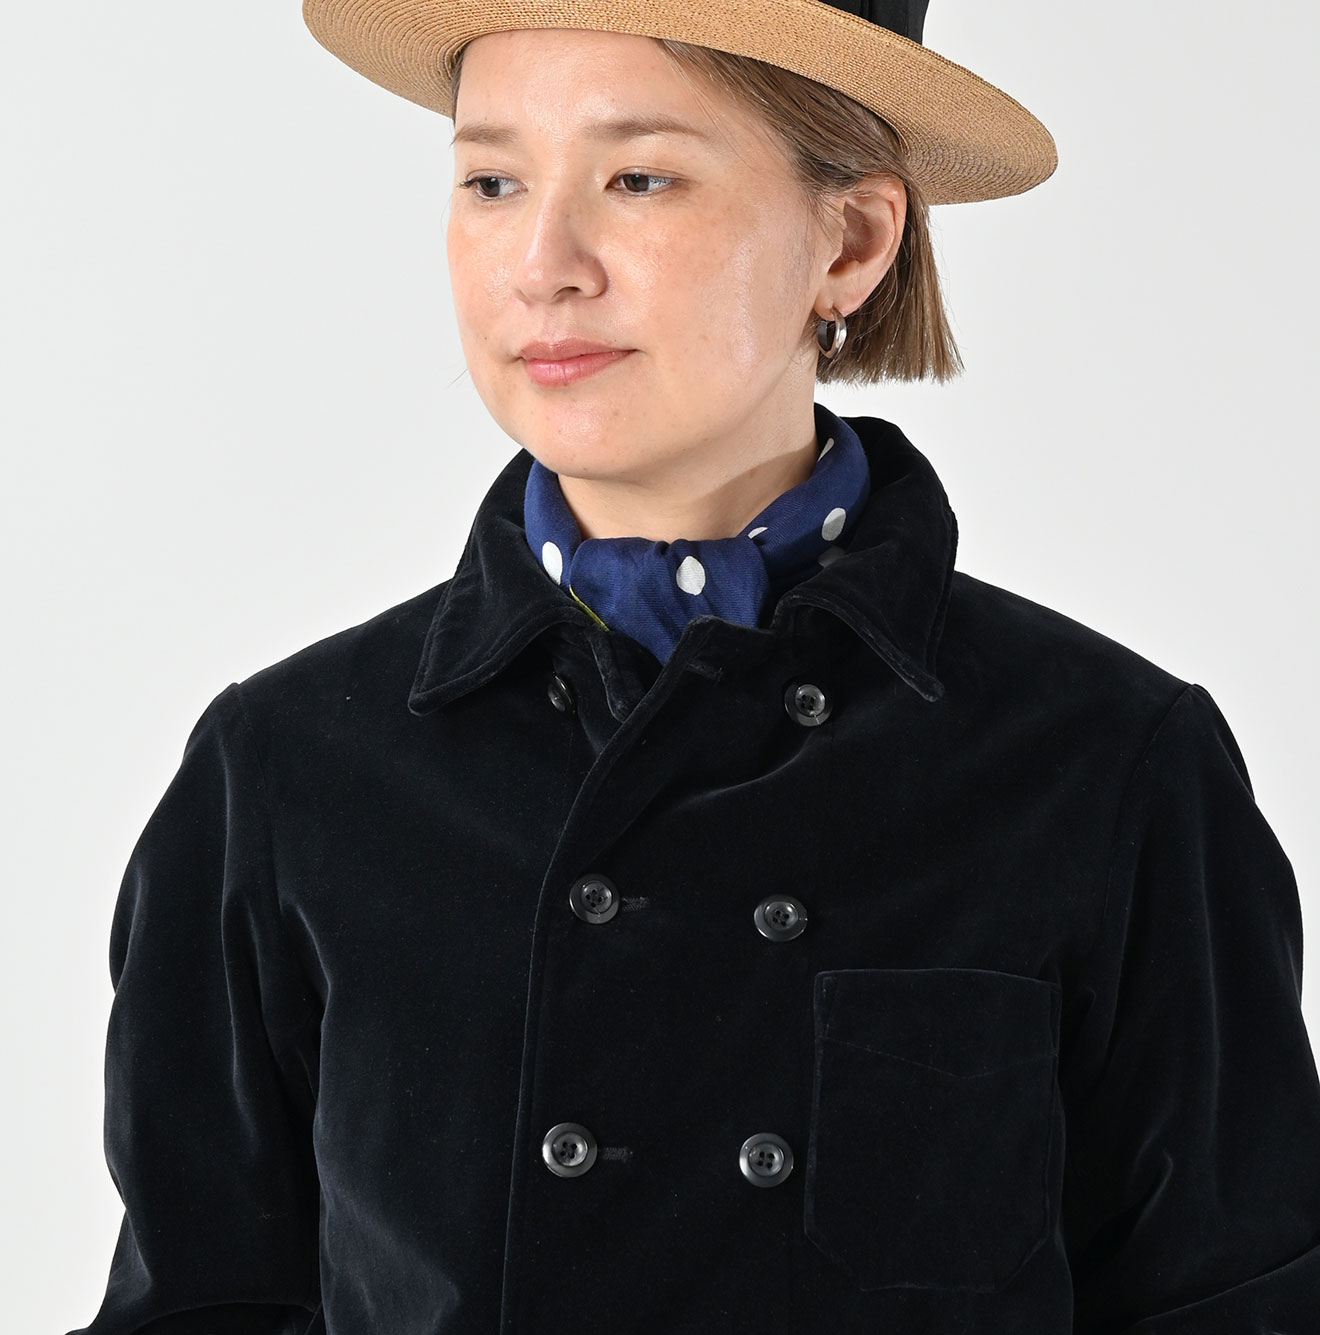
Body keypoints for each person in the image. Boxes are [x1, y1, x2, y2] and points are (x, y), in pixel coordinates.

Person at [67, 1, 1320, 1331]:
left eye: (639, 179)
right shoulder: (289, 770)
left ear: (851, 241)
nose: (543, 264)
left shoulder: (1103, 761)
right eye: (493, 182)